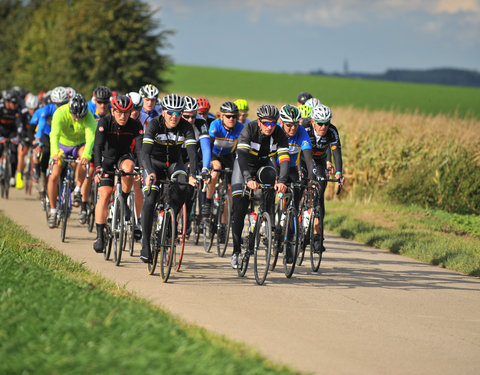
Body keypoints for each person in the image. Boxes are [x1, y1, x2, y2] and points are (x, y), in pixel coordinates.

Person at [139, 94, 198, 263]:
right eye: (171, 112)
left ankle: (170, 221)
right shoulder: (154, 125)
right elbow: (145, 153)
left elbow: (192, 154)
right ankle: (145, 244)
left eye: (178, 113)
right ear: (163, 112)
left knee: (183, 186)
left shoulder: (186, 127)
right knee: (151, 198)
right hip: (154, 164)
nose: (174, 116)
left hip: (174, 163)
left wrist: (193, 175)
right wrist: (149, 172)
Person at [229, 104, 289, 269]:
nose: (269, 127)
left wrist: (282, 180)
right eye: (265, 123)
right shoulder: (249, 129)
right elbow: (241, 155)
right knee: (239, 208)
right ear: (259, 121)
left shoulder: (280, 134)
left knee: (270, 189)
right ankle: (235, 252)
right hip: (244, 166)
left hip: (263, 165)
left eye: (273, 123)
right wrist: (248, 178)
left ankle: (263, 220)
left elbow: (284, 159)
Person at [92, 95, 143, 252]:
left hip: (123, 158)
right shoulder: (104, 122)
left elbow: (140, 150)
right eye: (120, 112)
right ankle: (100, 235)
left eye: (127, 113)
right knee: (105, 195)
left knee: (129, 168)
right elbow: (97, 147)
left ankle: (124, 201)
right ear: (112, 111)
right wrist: (98, 168)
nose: (123, 116)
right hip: (106, 160)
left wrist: (141, 168)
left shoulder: (135, 125)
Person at [47, 94, 96, 228]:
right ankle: (52, 211)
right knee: (53, 176)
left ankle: (78, 189)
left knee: (83, 160)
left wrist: (86, 155)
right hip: (62, 146)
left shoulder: (89, 117)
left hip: (78, 145)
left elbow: (91, 137)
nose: (77, 119)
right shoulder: (60, 113)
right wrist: (55, 153)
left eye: (81, 117)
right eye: (75, 116)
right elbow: (54, 135)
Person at [302, 104, 345, 253]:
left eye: (326, 123)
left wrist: (339, 172)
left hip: (319, 160)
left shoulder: (332, 131)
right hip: (302, 159)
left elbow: (336, 152)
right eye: (320, 123)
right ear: (313, 121)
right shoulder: (305, 128)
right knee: (300, 187)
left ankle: (316, 236)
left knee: (318, 195)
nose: (323, 127)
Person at [0, 90, 23, 187]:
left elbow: (20, 125)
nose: (15, 105)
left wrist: (18, 137)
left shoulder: (17, 110)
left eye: (16, 103)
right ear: (7, 102)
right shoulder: (1, 109)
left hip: (11, 132)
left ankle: (12, 176)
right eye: (13, 103)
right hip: (1, 130)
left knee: (14, 151)